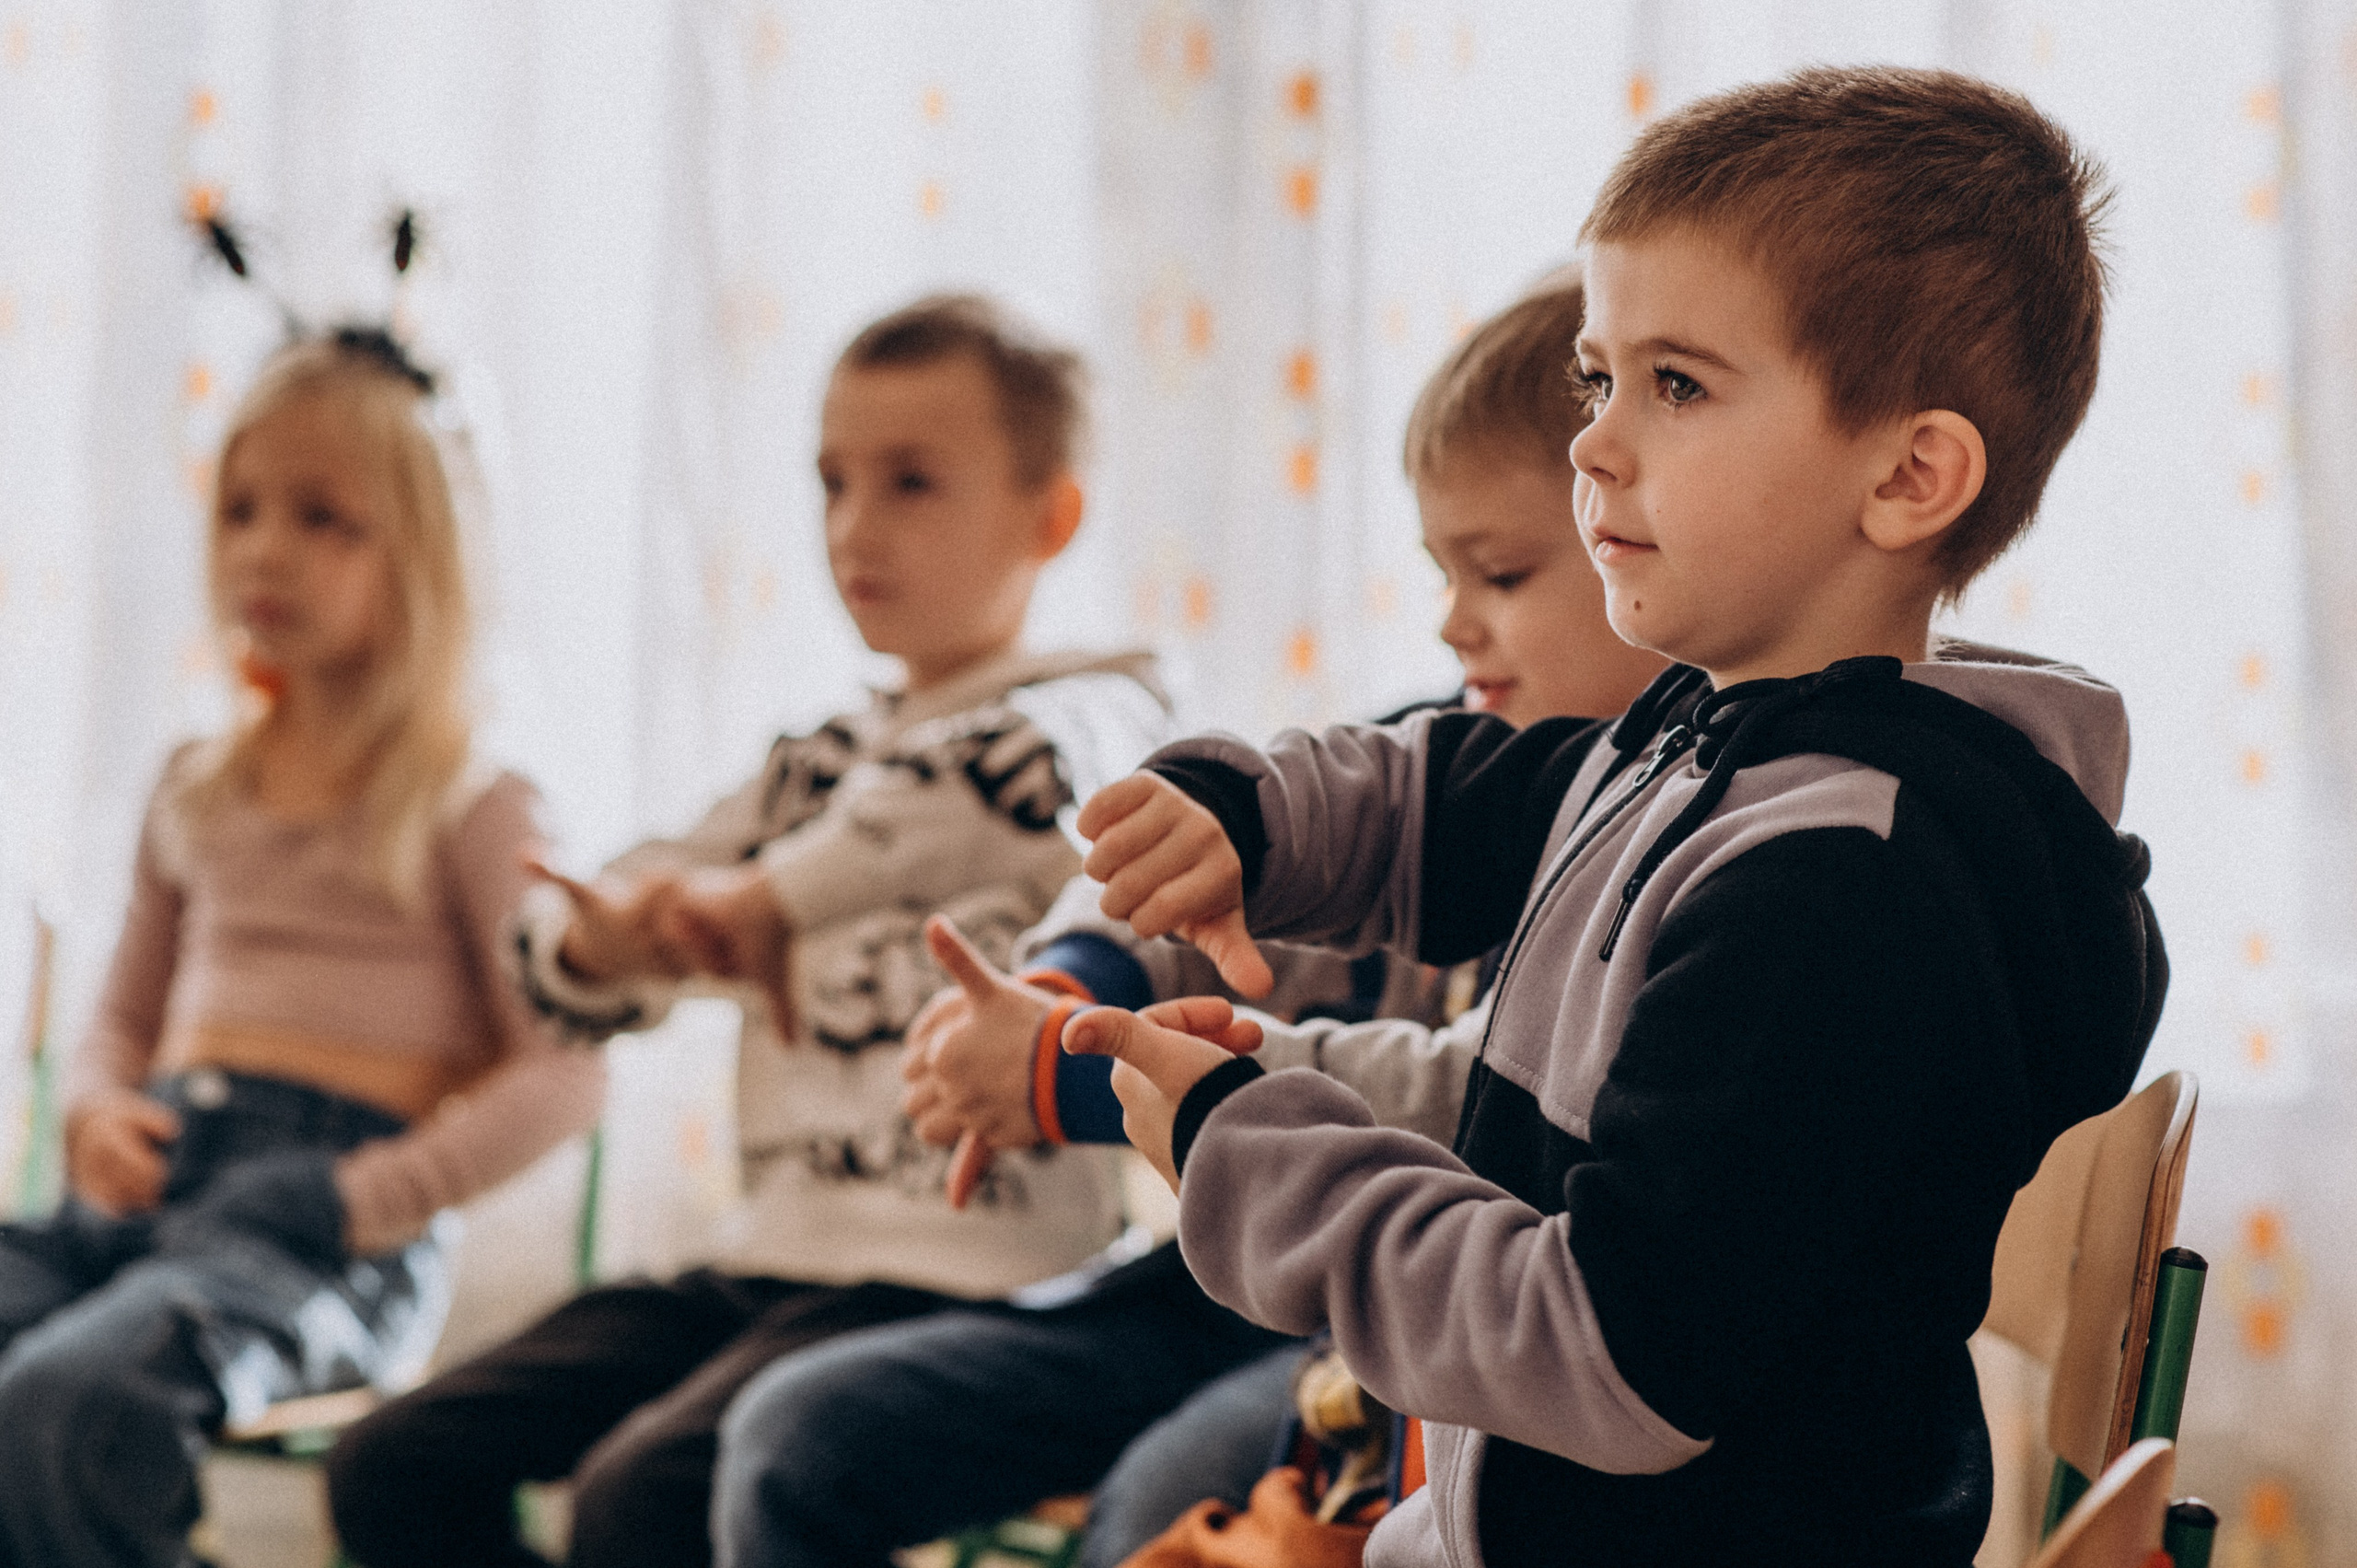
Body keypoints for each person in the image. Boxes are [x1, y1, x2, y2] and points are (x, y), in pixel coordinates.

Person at [1063, 67, 2169, 1566]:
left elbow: (1616, 1362)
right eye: (1601, 377)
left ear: (1909, 474)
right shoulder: (1713, 748)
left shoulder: (1845, 885)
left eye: (1679, 384)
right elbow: (1455, 800)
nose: (1593, 442)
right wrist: (1247, 821)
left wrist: (1259, 1160)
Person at [707, 280, 1666, 1568]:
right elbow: (1176, 868)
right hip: (1217, 1267)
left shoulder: (1673, 840)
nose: (1452, 620)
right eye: (1441, 570)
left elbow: (1465, 1097)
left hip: (1402, 1315)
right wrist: (1064, 982)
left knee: (1160, 1518)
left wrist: (1083, 1070)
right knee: (795, 1436)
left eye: (1500, 572)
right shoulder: (1424, 749)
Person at [328, 295, 1173, 1568]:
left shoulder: (1098, 715)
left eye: (911, 484)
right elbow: (581, 936)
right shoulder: (810, 763)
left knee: (643, 1499)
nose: (854, 527)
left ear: (1048, 517)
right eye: (832, 482)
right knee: (395, 1462)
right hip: (771, 1263)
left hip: (963, 1289)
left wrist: (760, 906)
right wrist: (605, 947)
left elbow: (961, 791)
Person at [0, 331, 606, 1568]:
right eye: (240, 511)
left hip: (319, 1226)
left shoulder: (474, 802)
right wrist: (101, 1107)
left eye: (326, 519)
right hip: (147, 1188)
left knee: (69, 1412)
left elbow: (566, 1076)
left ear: (426, 559)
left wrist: (362, 1196)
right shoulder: (196, 787)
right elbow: (120, 1019)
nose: (265, 550)